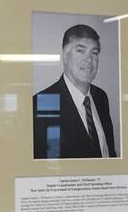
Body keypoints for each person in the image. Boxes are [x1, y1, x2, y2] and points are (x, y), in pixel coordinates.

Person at [33, 24, 117, 159]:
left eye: (94, 53)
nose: (89, 59)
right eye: (80, 51)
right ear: (65, 55)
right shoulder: (43, 102)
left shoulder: (101, 97)